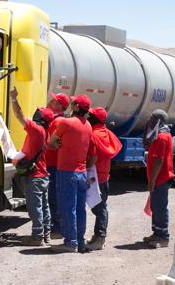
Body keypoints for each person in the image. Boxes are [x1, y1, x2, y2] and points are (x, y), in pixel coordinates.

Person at [48, 94, 97, 253]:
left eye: (73, 102)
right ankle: (79, 240)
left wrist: (58, 145)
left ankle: (70, 243)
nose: (71, 104)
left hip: (66, 172)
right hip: (82, 172)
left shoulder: (66, 123)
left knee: (67, 208)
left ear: (76, 107)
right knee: (79, 208)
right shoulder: (88, 125)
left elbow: (51, 143)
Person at [9, 88, 56, 246]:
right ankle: (46, 234)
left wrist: (14, 99)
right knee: (44, 206)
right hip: (43, 175)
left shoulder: (36, 130)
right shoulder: (45, 131)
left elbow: (19, 116)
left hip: (35, 177)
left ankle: (37, 237)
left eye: (38, 113)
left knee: (35, 207)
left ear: (41, 118)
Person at [86, 107, 122, 251]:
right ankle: (98, 236)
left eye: (91, 115)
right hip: (103, 176)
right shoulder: (106, 133)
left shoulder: (94, 134)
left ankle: (100, 238)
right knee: (101, 207)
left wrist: (84, 169)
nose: (88, 116)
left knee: (99, 209)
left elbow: (93, 157)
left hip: (95, 177)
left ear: (95, 119)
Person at [142, 109, 175, 248]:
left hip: (161, 179)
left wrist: (152, 181)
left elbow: (159, 161)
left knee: (160, 207)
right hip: (158, 179)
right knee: (155, 206)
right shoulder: (159, 135)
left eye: (152, 118)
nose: (150, 120)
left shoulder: (162, 137)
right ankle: (156, 233)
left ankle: (163, 237)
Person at [44, 92, 70, 239]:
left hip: (53, 164)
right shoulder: (57, 120)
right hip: (54, 163)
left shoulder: (57, 122)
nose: (50, 101)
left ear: (59, 105)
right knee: (53, 196)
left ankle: (57, 229)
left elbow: (53, 144)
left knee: (53, 197)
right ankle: (56, 228)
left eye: (54, 100)